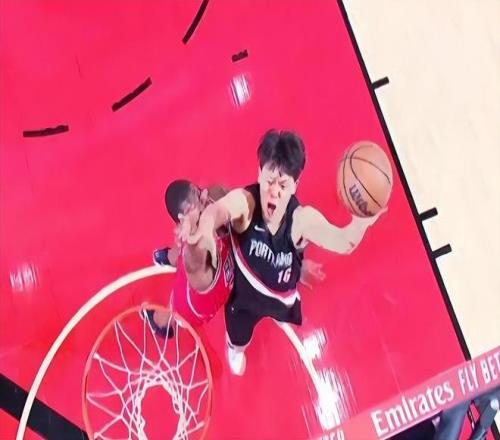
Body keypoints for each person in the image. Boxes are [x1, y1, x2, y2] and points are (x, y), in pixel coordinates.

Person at [188, 129, 385, 375]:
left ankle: (293, 277)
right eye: (269, 181)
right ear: (259, 173)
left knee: (285, 295)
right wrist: (206, 226)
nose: (274, 191)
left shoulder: (301, 220)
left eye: (283, 185)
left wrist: (361, 222)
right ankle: (235, 348)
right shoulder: (246, 204)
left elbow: (343, 242)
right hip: (243, 296)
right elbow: (219, 209)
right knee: (239, 340)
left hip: (280, 294)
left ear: (295, 185)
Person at [149, 178, 326, 337]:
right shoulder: (196, 260)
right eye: (195, 205)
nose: (204, 195)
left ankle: (169, 257)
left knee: (185, 251)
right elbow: (192, 260)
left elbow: (252, 218)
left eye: (198, 191)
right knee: (174, 304)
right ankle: (161, 324)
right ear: (184, 220)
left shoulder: (215, 196)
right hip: (194, 305)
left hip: (221, 282)